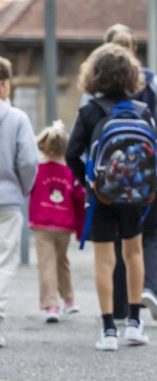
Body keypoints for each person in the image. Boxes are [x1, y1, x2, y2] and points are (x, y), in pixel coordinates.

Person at [84, 24, 157, 322]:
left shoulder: (92, 101)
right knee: (148, 236)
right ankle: (148, 291)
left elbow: (81, 145)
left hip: (105, 185)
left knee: (111, 245)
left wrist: (88, 177)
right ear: (134, 51)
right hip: (145, 179)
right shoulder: (151, 84)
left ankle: (116, 311)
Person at [67, 43, 154, 351]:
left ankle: (107, 330)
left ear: (95, 75)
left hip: (101, 196)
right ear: (130, 75)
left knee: (104, 261)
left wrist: (88, 181)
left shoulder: (89, 111)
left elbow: (71, 153)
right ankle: (133, 322)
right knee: (134, 255)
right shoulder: (142, 110)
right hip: (135, 196)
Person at [29, 120, 85, 324]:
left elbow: (28, 187)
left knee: (46, 264)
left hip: (41, 223)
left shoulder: (37, 169)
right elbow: (79, 195)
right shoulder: (70, 171)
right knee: (62, 262)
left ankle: (51, 304)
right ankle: (69, 299)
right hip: (64, 224)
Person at [0, 56, 38, 348]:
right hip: (8, 201)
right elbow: (27, 161)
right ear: (4, 83)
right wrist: (23, 189)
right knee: (4, 264)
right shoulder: (17, 118)